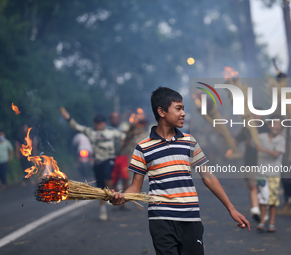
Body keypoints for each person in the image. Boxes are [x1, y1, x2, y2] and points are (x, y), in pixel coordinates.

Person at [110, 87, 250, 255]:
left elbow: (208, 177)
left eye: (183, 108)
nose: (183, 113)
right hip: (160, 220)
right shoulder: (143, 147)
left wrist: (231, 209)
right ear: (161, 111)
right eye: (178, 108)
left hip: (190, 218)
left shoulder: (189, 142)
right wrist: (122, 197)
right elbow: (136, 187)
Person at [60, 108, 125, 221]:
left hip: (109, 159)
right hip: (97, 161)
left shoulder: (111, 132)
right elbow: (77, 127)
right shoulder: (90, 132)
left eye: (100, 123)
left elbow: (124, 137)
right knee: (100, 188)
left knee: (107, 175)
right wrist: (68, 119)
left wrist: (124, 143)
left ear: (104, 123)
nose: (98, 125)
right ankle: (102, 209)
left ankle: (109, 194)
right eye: (96, 123)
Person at [234, 110, 268, 222]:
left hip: (264, 162)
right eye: (257, 114)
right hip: (250, 162)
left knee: (263, 187)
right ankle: (255, 209)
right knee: (252, 185)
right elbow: (236, 141)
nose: (259, 116)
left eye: (261, 114)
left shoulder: (267, 128)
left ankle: (263, 210)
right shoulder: (247, 128)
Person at [255, 116, 285, 233]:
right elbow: (250, 142)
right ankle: (262, 220)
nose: (276, 126)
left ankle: (272, 222)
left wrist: (261, 148)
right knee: (263, 197)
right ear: (269, 125)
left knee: (273, 199)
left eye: (279, 124)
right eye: (274, 123)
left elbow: (276, 154)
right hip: (262, 173)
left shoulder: (281, 140)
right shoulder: (260, 137)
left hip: (274, 173)